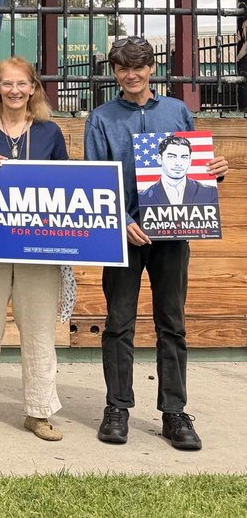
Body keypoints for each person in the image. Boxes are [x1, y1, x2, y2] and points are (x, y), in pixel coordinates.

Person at [84, 35, 228, 451]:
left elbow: (195, 166)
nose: (131, 75)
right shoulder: (101, 118)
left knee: (173, 324)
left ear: (152, 69)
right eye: (122, 68)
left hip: (173, 233)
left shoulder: (177, 110)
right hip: (124, 235)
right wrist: (123, 220)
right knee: (118, 324)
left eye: (138, 67)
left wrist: (214, 172)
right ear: (114, 72)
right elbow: (96, 178)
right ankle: (117, 408)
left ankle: (174, 412)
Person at [0, 56, 71, 442]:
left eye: (22, 83)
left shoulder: (50, 132)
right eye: (7, 83)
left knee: (39, 327)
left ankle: (39, 411)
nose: (15, 90)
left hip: (40, 239)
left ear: (33, 88)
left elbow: (67, 184)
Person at [138, 136, 219, 207]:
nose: (178, 163)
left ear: (190, 161)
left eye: (184, 157)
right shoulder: (143, 197)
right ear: (159, 159)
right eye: (172, 157)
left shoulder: (209, 192)